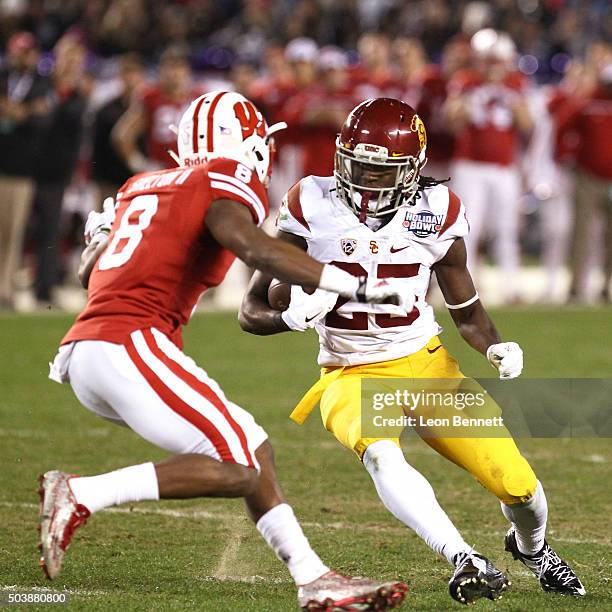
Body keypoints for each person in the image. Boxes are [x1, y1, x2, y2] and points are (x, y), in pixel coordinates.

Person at [39, 91, 409, 611]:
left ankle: (313, 577)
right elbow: (252, 247)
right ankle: (82, 493)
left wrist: (97, 239)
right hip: (130, 343)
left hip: (92, 351)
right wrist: (353, 285)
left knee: (254, 448)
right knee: (238, 466)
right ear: (242, 142)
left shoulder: (140, 186)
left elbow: (87, 275)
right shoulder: (214, 180)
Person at [239, 98, 585, 605]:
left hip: (426, 364)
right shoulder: (309, 203)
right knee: (380, 454)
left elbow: (466, 312)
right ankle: (463, 557)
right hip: (348, 370)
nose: (363, 179)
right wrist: (287, 317)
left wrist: (495, 347)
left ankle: (532, 549)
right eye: (356, 164)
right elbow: (250, 311)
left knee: (521, 489)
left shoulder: (438, 211)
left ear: (412, 171)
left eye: (380, 171)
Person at [444, 29, 532, 303]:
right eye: (488, 60)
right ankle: (467, 287)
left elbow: (527, 124)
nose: (493, 66)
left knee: (507, 228)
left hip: (504, 167)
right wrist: (470, 102)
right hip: (470, 166)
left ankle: (510, 285)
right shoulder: (465, 81)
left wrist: (509, 97)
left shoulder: (516, 83)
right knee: (469, 227)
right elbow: (450, 120)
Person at [0, 31, 50, 309]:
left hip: (22, 169)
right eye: (19, 51)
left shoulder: (41, 83)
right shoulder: (5, 77)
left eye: (27, 52)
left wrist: (18, 112)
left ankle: (5, 289)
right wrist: (26, 111)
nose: (23, 56)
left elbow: (43, 119)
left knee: (13, 231)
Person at [113, 45, 200, 174]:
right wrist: (140, 165)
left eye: (179, 67)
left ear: (187, 71)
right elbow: (122, 136)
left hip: (192, 170)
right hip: (162, 172)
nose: (174, 73)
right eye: (169, 67)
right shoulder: (150, 97)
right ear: (160, 70)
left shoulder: (199, 97)